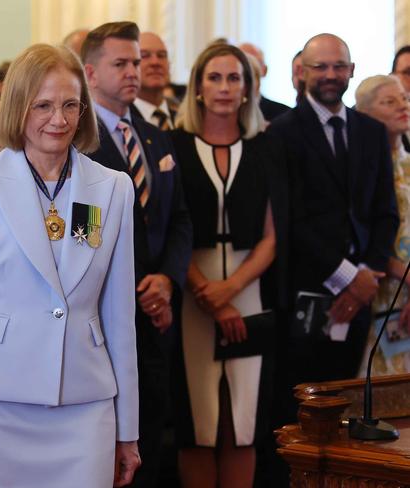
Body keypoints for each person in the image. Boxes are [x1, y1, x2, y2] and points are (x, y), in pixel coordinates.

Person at [0, 43, 140, 488]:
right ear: (18, 107)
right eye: (43, 105)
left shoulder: (111, 189)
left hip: (86, 403)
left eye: (70, 105)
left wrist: (129, 431)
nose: (58, 120)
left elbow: (120, 318)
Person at [82, 21, 192, 488]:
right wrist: (132, 288)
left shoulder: (154, 135)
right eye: (121, 63)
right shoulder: (78, 140)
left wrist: (166, 280)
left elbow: (181, 220)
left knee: (149, 433)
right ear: (90, 72)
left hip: (156, 312)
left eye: (138, 61)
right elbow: (83, 235)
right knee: (106, 443)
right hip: (104, 314)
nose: (135, 71)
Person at [268, 32, 398, 428]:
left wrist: (368, 276)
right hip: (306, 294)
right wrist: (347, 278)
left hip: (362, 295)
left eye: (338, 66)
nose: (330, 74)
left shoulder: (371, 132)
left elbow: (385, 212)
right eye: (320, 67)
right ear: (302, 72)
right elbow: (292, 219)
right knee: (302, 412)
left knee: (347, 407)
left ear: (352, 71)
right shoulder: (281, 133)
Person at [169, 42, 280, 488]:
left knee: (243, 421)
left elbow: (272, 237)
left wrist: (230, 290)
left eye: (234, 78)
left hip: (247, 289)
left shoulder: (265, 147)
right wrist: (208, 296)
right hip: (190, 290)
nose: (224, 87)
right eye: (214, 78)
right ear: (197, 88)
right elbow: (170, 230)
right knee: (198, 424)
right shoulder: (172, 145)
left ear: (248, 88)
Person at [355, 75, 410, 375]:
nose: (403, 106)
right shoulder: (362, 169)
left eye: (403, 98)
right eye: (390, 102)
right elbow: (365, 233)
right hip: (376, 289)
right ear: (364, 113)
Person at [132, 32, 179, 130]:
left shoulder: (184, 122)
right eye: (144, 55)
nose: (155, 62)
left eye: (161, 55)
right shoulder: (121, 123)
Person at [239, 42, 289, 121]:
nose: (247, 72)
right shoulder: (223, 113)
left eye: (254, 65)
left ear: (264, 70)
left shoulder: (283, 115)